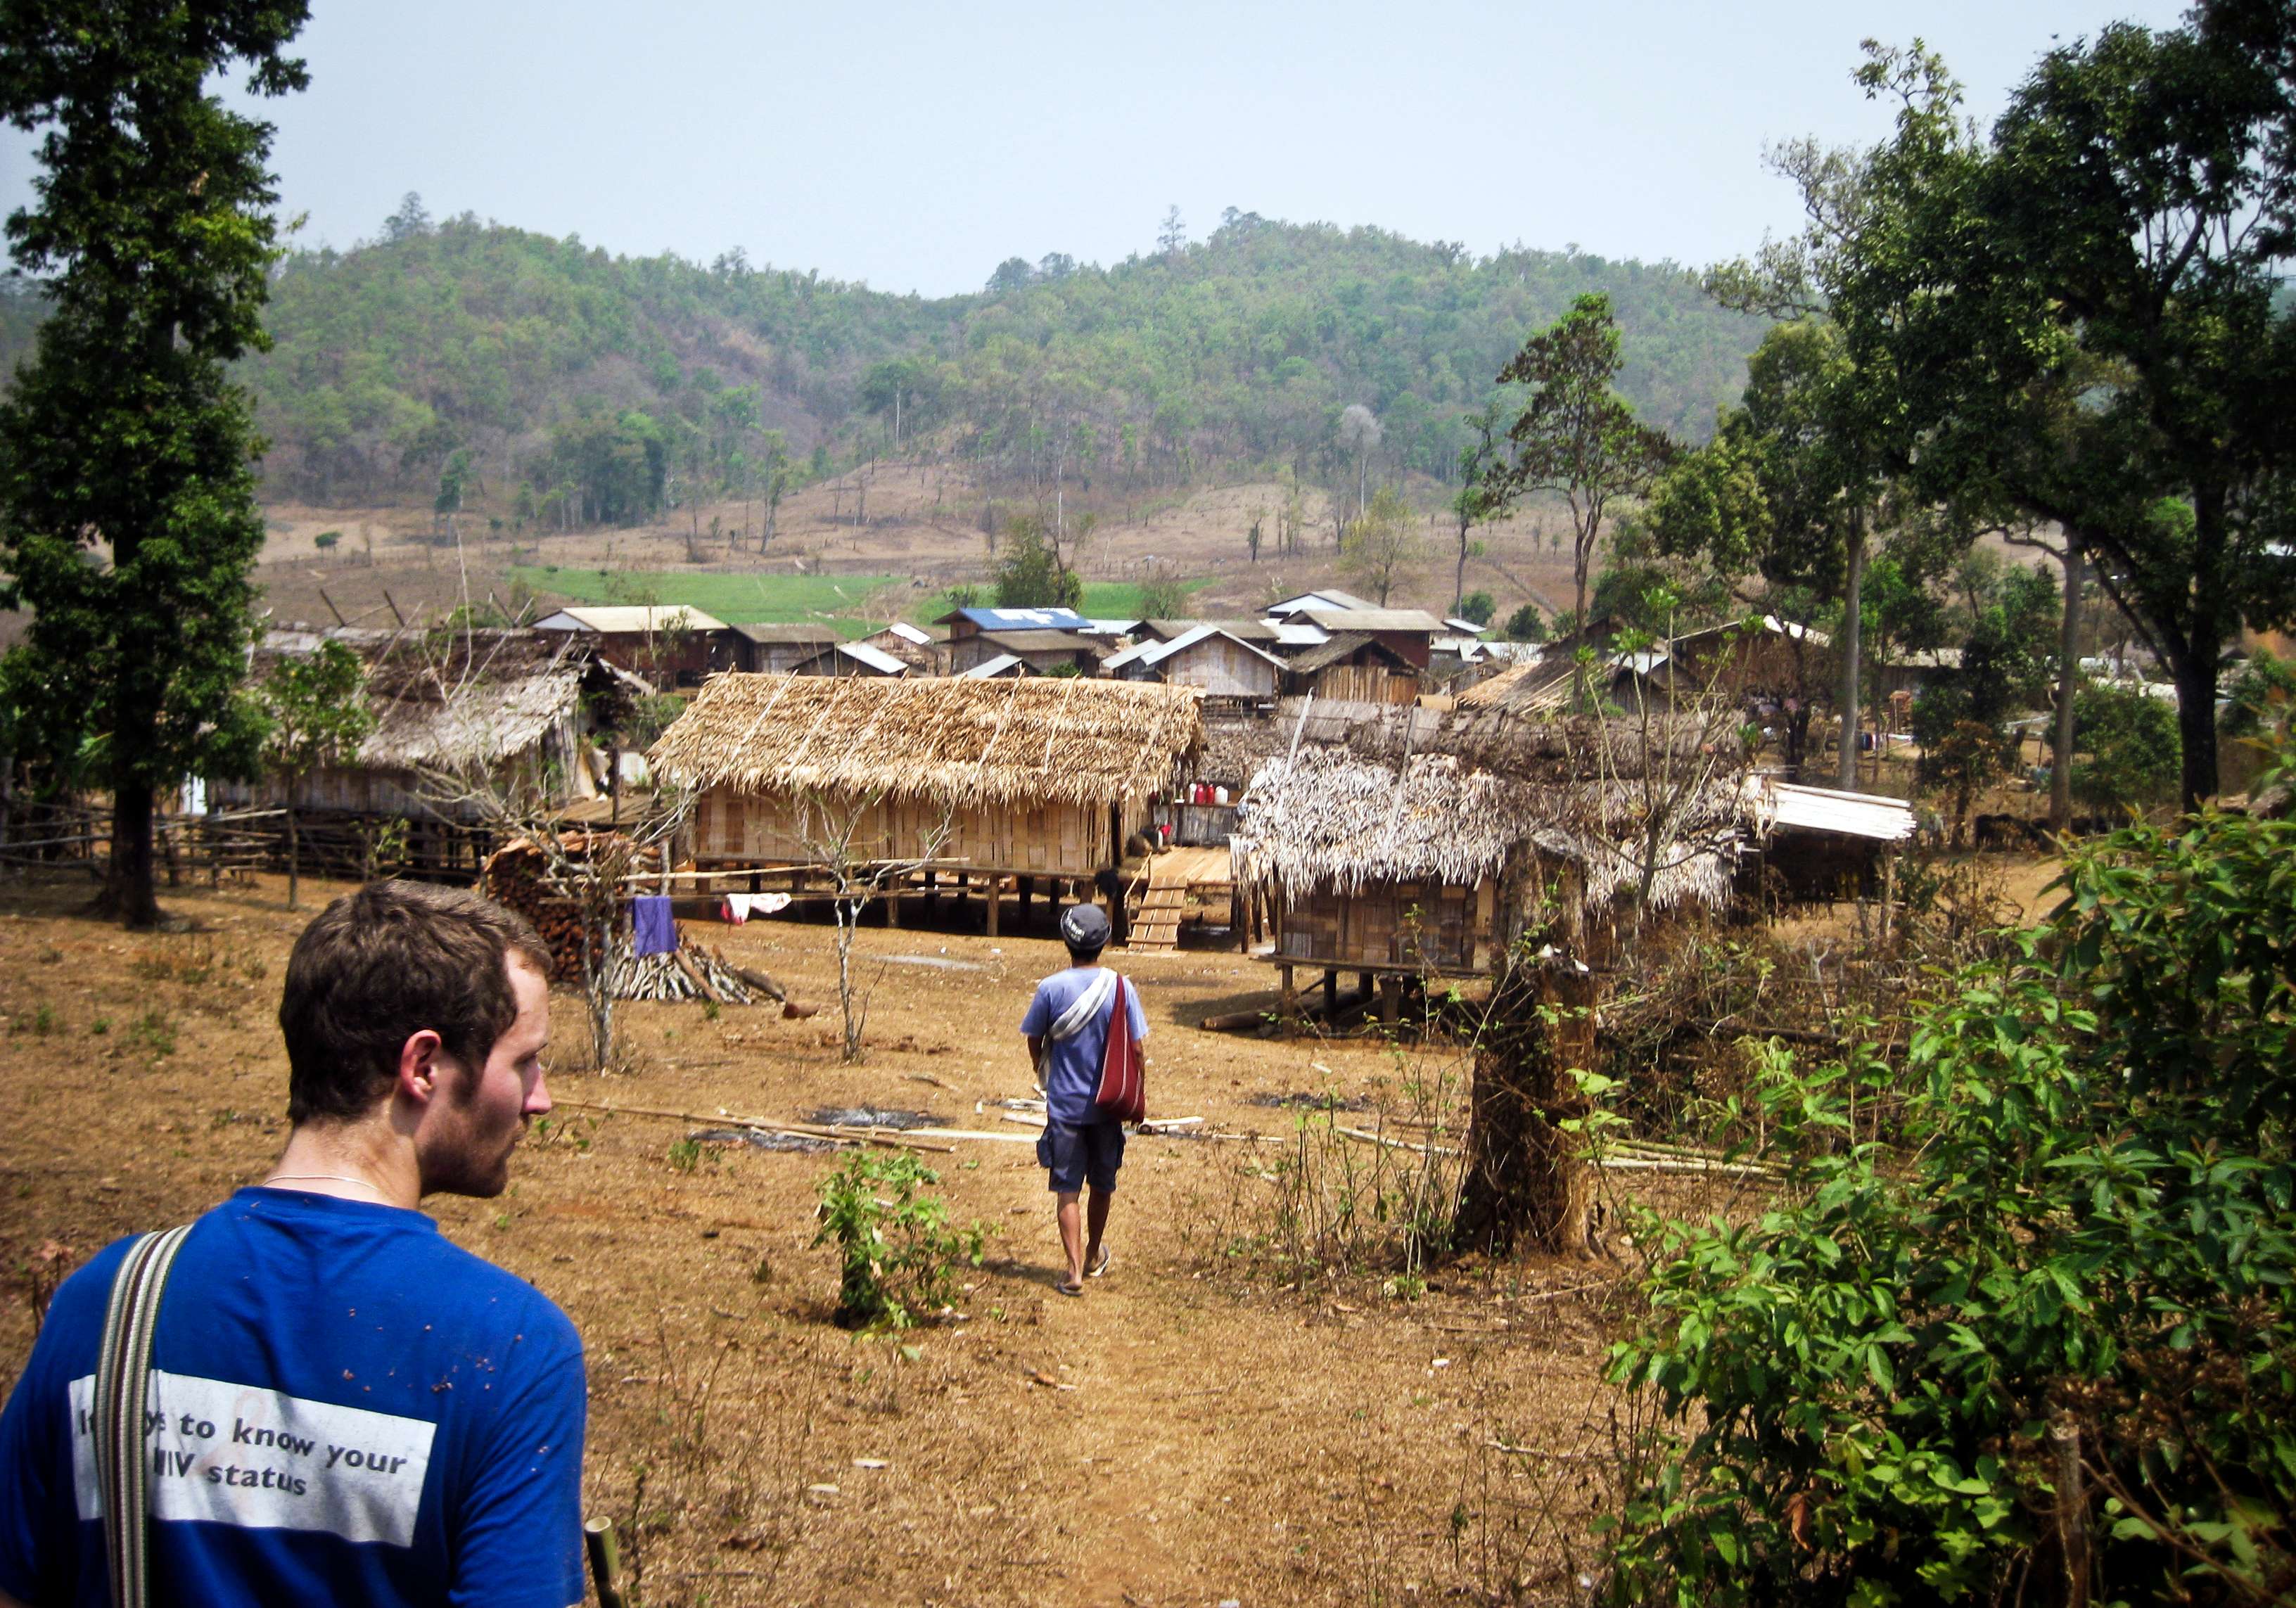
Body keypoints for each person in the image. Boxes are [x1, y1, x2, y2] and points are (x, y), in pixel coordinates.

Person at [0, 881, 585, 1608]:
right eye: (525, 1061)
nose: (541, 1097)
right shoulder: (512, 1349)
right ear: (424, 1067)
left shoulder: (106, 1302)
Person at [1020, 903, 1147, 1298]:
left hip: (1065, 1107)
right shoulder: (1121, 988)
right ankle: (1093, 1254)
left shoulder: (1051, 989)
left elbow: (1034, 1039)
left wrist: (1045, 1072)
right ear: (1105, 942)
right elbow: (1138, 1050)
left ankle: (1074, 1272)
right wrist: (1139, 1093)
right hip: (1108, 1107)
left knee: (1067, 1189)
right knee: (1103, 1184)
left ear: (1066, 942)